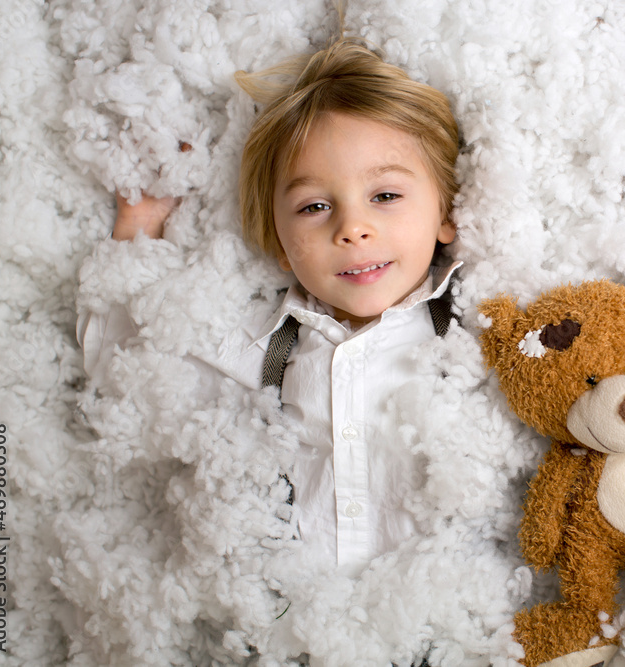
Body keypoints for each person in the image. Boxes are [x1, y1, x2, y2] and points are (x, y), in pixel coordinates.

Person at [78, 35, 462, 576]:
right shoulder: (262, 351)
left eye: (385, 196)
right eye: (314, 206)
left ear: (446, 214)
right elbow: (126, 374)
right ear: (280, 243)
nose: (352, 228)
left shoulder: (473, 335)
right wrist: (139, 227)